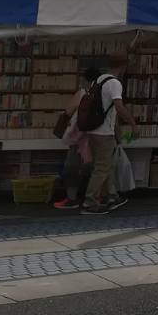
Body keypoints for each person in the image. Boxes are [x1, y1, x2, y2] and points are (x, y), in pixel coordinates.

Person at [79, 56, 136, 215]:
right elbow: (119, 107)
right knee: (102, 168)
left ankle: (110, 196)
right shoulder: (114, 83)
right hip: (104, 133)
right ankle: (89, 202)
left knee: (104, 166)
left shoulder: (99, 80)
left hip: (93, 131)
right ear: (123, 66)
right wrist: (133, 124)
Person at [53, 66, 98, 211]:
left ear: (85, 79)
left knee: (71, 167)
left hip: (79, 137)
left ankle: (71, 199)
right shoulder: (103, 94)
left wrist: (61, 129)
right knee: (95, 169)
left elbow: (69, 111)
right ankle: (94, 197)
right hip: (97, 137)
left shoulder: (83, 93)